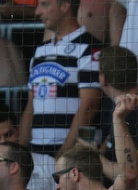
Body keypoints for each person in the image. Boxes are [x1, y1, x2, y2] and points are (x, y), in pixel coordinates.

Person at [21, 0, 102, 157]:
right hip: (36, 152)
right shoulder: (39, 51)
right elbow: (31, 104)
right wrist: (21, 150)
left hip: (75, 154)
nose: (37, 12)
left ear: (65, 6)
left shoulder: (90, 47)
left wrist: (65, 152)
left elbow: (90, 106)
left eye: (44, 4)